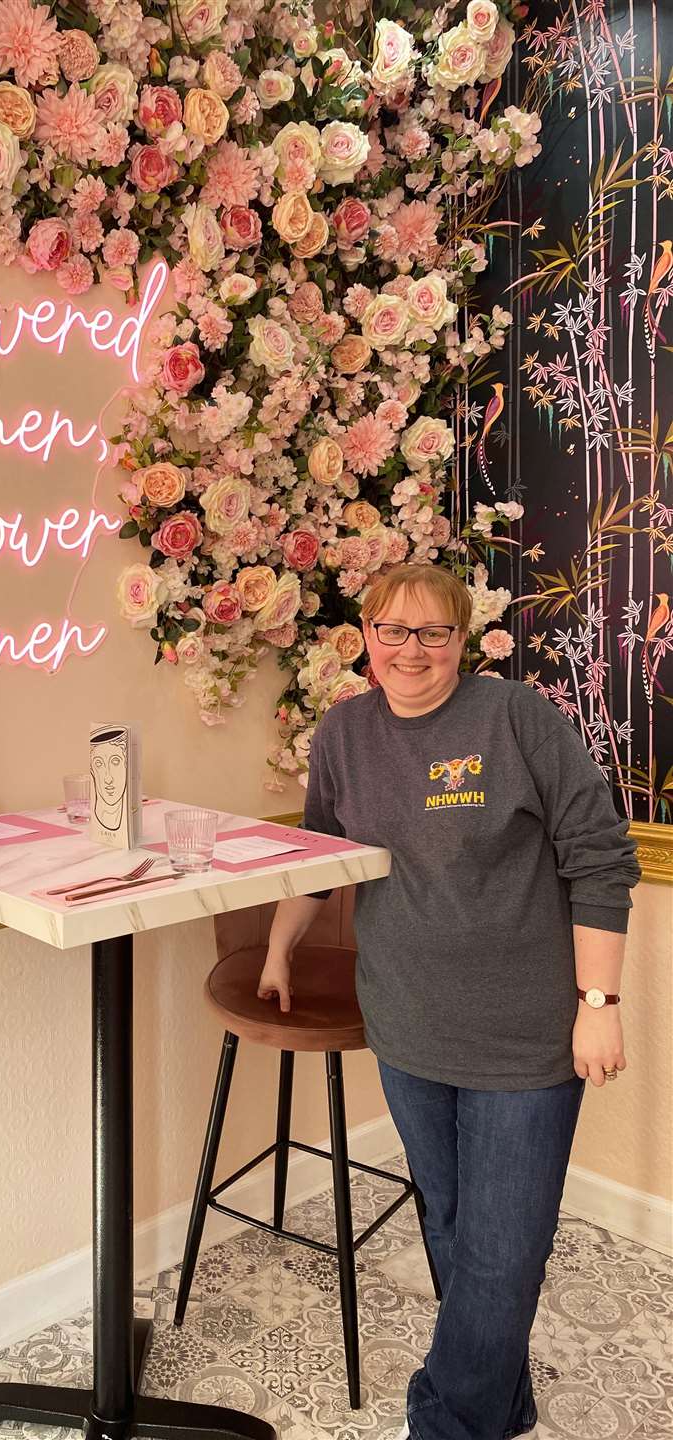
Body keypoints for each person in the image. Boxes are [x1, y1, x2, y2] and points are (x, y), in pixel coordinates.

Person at [256, 563, 639, 1440]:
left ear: (462, 642)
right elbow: (323, 853)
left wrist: (599, 1001)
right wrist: (280, 947)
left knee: (504, 1256)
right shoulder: (345, 733)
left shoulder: (516, 719)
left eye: (433, 633)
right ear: (366, 637)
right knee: (457, 1232)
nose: (411, 651)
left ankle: (446, 1422)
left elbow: (599, 856)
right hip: (407, 1024)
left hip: (524, 1035)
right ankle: (501, 1408)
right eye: (392, 631)